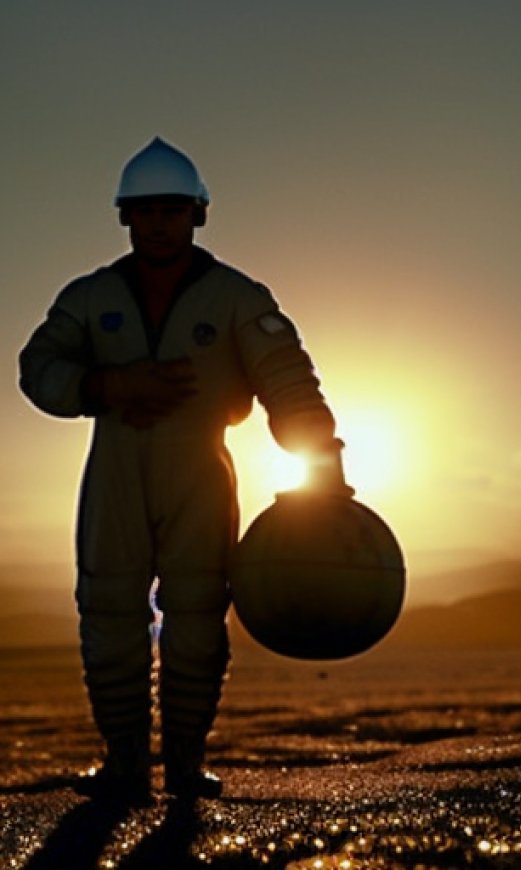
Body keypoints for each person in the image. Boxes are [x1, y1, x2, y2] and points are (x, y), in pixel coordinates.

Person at [19, 137, 345, 804]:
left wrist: (324, 466)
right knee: (108, 615)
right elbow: (38, 368)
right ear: (124, 219)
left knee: (197, 618)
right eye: (144, 212)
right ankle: (124, 766)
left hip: (201, 474)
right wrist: (109, 385)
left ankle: (186, 764)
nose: (158, 223)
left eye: (172, 210)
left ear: (198, 215)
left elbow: (288, 382)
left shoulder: (236, 298)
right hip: (114, 477)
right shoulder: (90, 298)